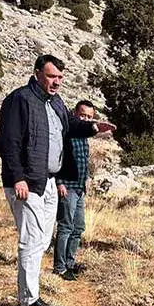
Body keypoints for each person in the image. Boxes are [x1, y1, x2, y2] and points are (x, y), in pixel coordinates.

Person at [0, 54, 114, 306]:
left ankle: (32, 297)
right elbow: (7, 142)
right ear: (37, 72)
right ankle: (28, 304)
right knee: (31, 240)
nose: (57, 82)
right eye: (51, 76)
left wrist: (93, 128)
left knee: (42, 241)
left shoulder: (56, 102)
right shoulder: (20, 100)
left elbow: (70, 126)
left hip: (49, 181)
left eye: (60, 77)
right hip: (27, 182)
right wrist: (18, 177)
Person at [53, 100, 99, 280]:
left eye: (89, 116)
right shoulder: (67, 133)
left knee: (78, 227)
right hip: (67, 186)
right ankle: (60, 267)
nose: (86, 119)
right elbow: (56, 159)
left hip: (80, 188)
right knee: (65, 227)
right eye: (83, 115)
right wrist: (59, 183)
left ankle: (70, 263)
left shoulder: (85, 136)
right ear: (74, 114)